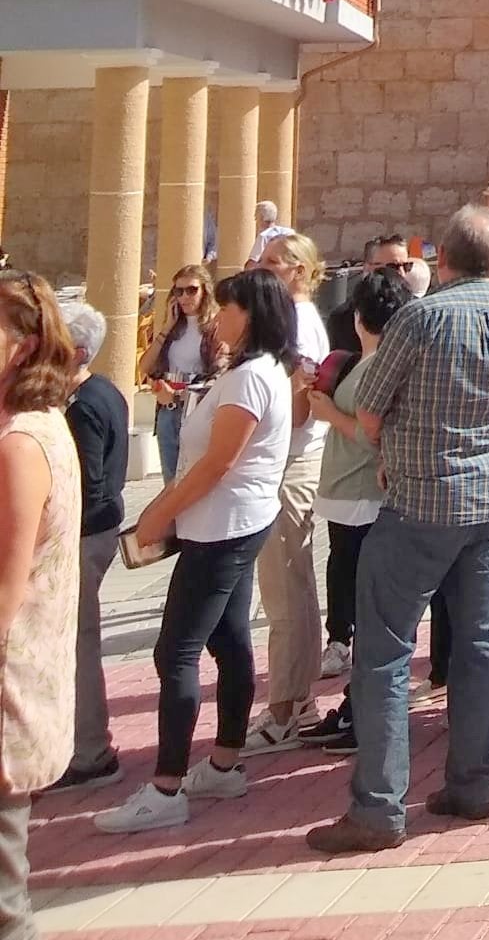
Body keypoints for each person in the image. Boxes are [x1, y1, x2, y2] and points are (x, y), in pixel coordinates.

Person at [304, 205, 489, 854]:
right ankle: (471, 782)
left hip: (421, 499)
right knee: (479, 644)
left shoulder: (418, 317)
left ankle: (378, 807)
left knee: (383, 653)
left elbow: (369, 415)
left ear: (443, 260)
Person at [96, 269, 295, 835]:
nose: (217, 317)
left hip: (221, 526)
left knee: (175, 651)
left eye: (227, 309)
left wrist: (161, 511)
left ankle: (165, 787)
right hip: (233, 521)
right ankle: (225, 761)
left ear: (250, 314)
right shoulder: (256, 370)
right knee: (229, 638)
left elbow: (217, 461)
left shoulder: (251, 377)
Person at [298, 268, 414, 752]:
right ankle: (356, 705)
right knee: (359, 604)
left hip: (362, 497)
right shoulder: (372, 360)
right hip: (350, 495)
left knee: (366, 610)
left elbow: (370, 434)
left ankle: (360, 710)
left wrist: (328, 413)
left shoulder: (377, 364)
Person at [0, 274, 82, 918]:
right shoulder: (38, 423)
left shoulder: (22, 443)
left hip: (10, 687)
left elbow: (7, 585)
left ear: (22, 347)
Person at [242, 233, 333, 751]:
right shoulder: (295, 320)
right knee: (290, 585)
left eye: (275, 264)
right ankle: (296, 696)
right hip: (290, 458)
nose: (265, 269)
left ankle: (284, 709)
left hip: (292, 459)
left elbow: (302, 395)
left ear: (299, 271)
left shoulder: (297, 323)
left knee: (284, 587)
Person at [55, 302, 126, 793]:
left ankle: (90, 749)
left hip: (85, 535)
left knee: (79, 645)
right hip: (99, 531)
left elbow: (90, 484)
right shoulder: (105, 391)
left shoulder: (84, 406)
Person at [141, 265, 220, 485]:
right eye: (179, 291)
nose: (185, 297)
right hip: (168, 411)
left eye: (192, 290)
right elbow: (145, 366)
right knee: (171, 481)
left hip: (197, 410)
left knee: (194, 479)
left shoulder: (215, 327)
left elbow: (219, 376)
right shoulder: (175, 328)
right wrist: (166, 327)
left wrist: (178, 395)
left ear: (205, 291)